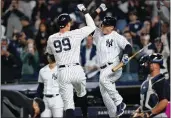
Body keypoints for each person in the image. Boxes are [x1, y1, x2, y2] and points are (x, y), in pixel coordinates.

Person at [46, 4, 96, 118]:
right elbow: (92, 26)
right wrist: (85, 11)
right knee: (82, 94)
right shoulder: (75, 34)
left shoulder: (51, 38)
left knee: (68, 105)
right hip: (76, 69)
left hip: (62, 71)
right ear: (69, 24)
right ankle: (85, 115)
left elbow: (50, 56)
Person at [90, 4, 132, 117]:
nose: (103, 26)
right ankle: (114, 115)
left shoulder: (115, 35)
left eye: (106, 25)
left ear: (112, 27)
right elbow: (89, 21)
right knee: (106, 98)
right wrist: (98, 10)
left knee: (104, 80)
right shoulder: (98, 34)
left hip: (114, 66)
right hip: (103, 69)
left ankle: (119, 102)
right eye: (103, 24)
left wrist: (126, 55)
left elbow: (128, 46)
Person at [132, 53, 170, 118]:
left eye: (147, 63)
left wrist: (148, 114)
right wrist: (138, 111)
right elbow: (147, 102)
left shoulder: (161, 81)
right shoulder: (146, 82)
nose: (145, 65)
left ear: (155, 65)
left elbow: (164, 102)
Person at [36, 52, 64, 117]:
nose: (49, 57)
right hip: (45, 99)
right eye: (48, 55)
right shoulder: (42, 70)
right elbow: (40, 86)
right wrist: (36, 98)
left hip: (57, 98)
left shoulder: (61, 69)